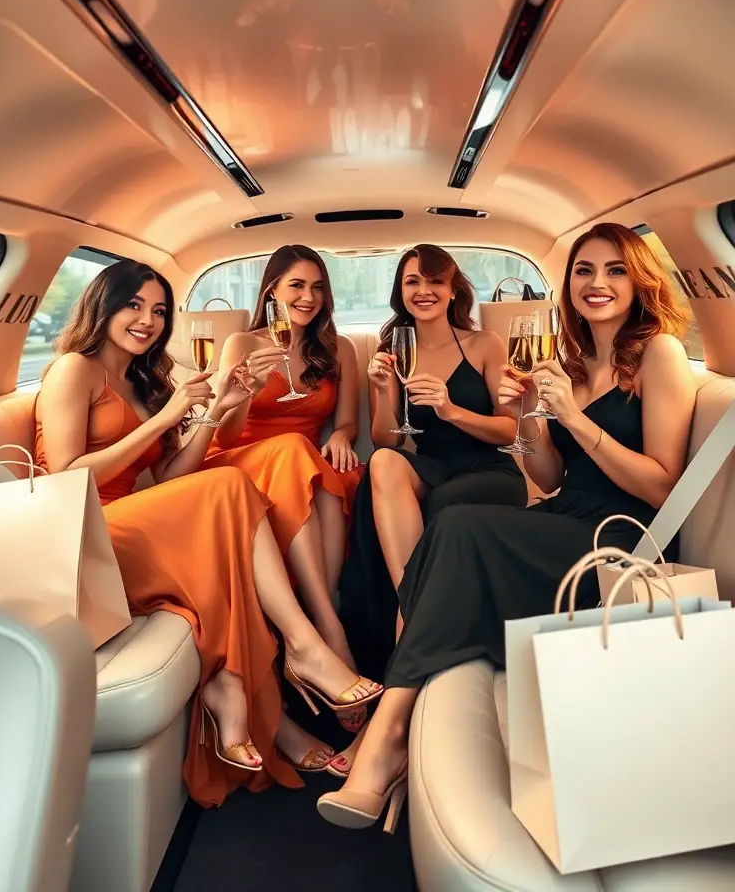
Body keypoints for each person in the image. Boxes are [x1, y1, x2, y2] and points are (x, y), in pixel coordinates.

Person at [317, 222, 696, 830]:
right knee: (450, 527)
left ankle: (385, 735)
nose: (597, 284)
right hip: (567, 516)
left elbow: (662, 484)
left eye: (614, 270)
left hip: (623, 540)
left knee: (461, 527)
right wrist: (529, 420)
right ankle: (393, 730)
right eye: (583, 271)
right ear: (568, 283)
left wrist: (576, 418)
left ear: (639, 280)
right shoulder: (571, 363)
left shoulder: (659, 353)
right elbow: (547, 477)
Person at [33, 258, 382, 809]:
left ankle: (268, 704)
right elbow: (63, 476)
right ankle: (304, 645)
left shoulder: (142, 380)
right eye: (133, 305)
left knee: (226, 500)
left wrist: (217, 409)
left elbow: (171, 478)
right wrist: (166, 416)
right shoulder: (75, 370)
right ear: (102, 306)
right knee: (227, 493)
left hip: (133, 518)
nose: (147, 320)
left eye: (159, 310)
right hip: (81, 531)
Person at [331, 245, 527, 774]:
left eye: (434, 282)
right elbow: (386, 439)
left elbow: (510, 432)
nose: (424, 291)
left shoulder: (484, 343)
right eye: (412, 281)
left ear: (453, 288)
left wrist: (449, 408)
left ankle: (386, 714)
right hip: (431, 466)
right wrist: (382, 392)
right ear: (400, 290)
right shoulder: (393, 348)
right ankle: (418, 610)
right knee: (385, 466)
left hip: (489, 472)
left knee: (438, 503)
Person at [204, 245, 366, 730]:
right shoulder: (242, 344)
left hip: (298, 464)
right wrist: (247, 391)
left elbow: (347, 424)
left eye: (318, 287)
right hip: (239, 462)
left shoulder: (340, 350)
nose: (308, 297)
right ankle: (329, 630)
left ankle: (322, 616)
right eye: (296, 285)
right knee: (297, 450)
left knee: (344, 474)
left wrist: (339, 435)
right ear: (272, 289)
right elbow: (221, 434)